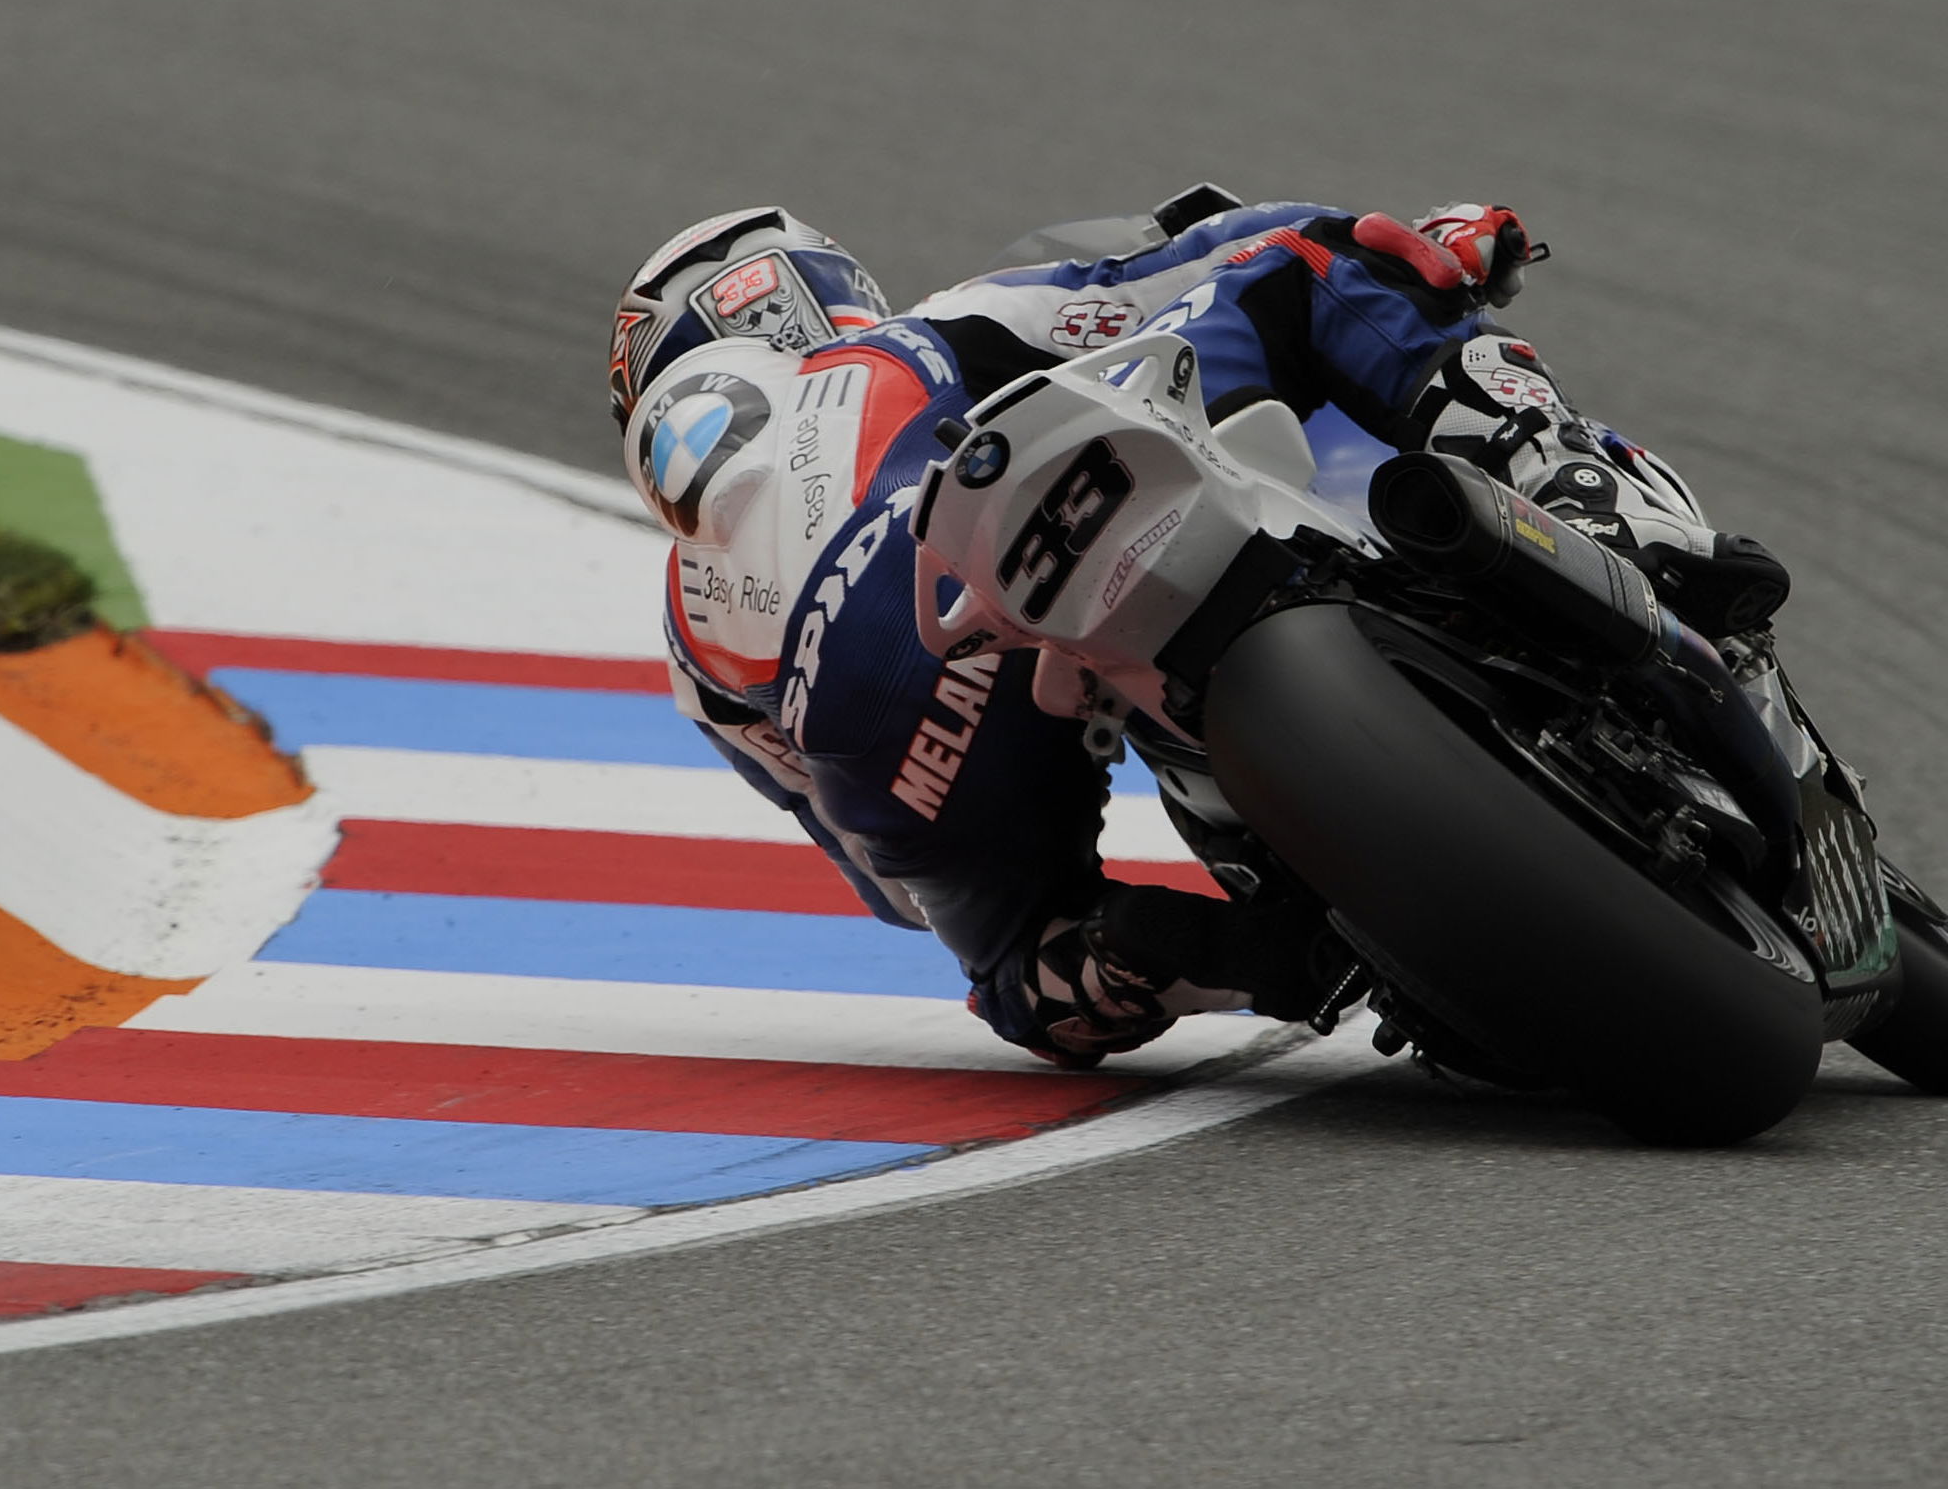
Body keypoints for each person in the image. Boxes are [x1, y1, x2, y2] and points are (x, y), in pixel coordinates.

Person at [607, 190, 1785, 1068]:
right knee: (1313, 263)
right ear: (818, 293)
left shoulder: (695, 645)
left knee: (1033, 975)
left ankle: (1201, 951)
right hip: (1028, 554)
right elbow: (1221, 254)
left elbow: (890, 888)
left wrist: (1040, 954)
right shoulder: (921, 335)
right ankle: (1578, 487)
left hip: (909, 749)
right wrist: (1434, 250)